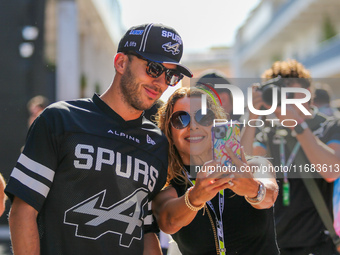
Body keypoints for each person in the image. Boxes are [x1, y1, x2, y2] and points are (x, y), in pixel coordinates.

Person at [5, 23, 192, 255]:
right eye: (154, 68)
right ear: (121, 63)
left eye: (171, 75)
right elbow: (23, 211)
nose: (161, 83)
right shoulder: (61, 119)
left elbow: (144, 230)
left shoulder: (157, 144)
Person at [152, 87, 279, 255]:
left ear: (216, 123)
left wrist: (254, 189)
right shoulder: (167, 187)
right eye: (181, 119)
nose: (193, 126)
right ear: (169, 132)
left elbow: (270, 195)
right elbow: (168, 221)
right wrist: (195, 197)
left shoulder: (253, 167)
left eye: (203, 117)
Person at [241, 59, 340, 255]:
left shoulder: (329, 125)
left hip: (321, 243)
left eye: (294, 95)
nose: (289, 102)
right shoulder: (268, 132)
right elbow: (243, 167)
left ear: (309, 93)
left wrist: (298, 124)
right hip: (277, 243)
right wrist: (252, 115)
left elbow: (331, 171)